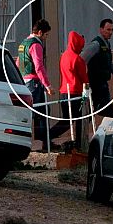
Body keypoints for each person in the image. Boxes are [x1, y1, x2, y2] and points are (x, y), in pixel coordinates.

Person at [16, 19, 53, 150]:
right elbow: (39, 66)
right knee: (40, 112)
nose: (46, 38)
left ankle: (44, 141)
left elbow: (18, 63)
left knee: (35, 111)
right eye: (46, 35)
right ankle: (44, 143)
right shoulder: (36, 45)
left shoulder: (24, 43)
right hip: (34, 82)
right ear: (40, 32)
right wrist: (47, 85)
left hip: (24, 80)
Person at [49, 30, 88, 150]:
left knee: (66, 119)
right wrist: (87, 90)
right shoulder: (78, 59)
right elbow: (84, 78)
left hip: (64, 91)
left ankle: (48, 137)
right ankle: (78, 143)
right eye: (81, 46)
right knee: (78, 118)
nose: (81, 49)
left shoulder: (64, 56)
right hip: (75, 92)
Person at [82, 19, 113, 116]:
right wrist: (83, 78)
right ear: (101, 30)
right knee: (106, 110)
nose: (111, 32)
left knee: (105, 110)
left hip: (103, 83)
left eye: (112, 30)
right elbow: (81, 60)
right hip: (95, 84)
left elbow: (110, 64)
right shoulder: (96, 44)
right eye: (108, 30)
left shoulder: (107, 44)